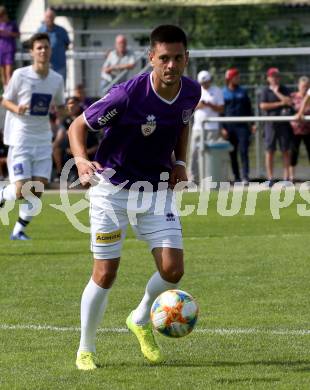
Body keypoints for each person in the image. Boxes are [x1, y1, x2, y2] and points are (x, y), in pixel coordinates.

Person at [68, 24, 201, 370]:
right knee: (106, 272)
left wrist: (181, 162)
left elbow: (183, 122)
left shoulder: (191, 91)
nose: (170, 66)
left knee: (173, 270)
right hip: (111, 191)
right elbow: (77, 127)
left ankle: (140, 317)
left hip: (156, 191)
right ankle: (86, 348)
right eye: (163, 59)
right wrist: (81, 159)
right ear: (151, 58)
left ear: (186, 58)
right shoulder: (126, 95)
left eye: (177, 58)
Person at [0, 33, 65, 240]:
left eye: (46, 47)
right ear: (32, 52)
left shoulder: (57, 79)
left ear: (50, 51)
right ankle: (2, 194)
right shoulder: (20, 75)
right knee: (20, 190)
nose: (43, 51)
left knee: (36, 189)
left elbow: (60, 108)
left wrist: (67, 110)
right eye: (39, 48)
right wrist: (17, 108)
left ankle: (19, 230)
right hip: (21, 139)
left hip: (43, 140)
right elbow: (5, 101)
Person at [259, 67, 293, 186]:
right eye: (272, 76)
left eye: (277, 76)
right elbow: (263, 106)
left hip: (284, 124)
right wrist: (279, 103)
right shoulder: (265, 91)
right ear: (268, 78)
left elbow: (289, 102)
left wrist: (277, 92)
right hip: (270, 124)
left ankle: (286, 178)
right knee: (270, 151)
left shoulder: (285, 89)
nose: (275, 78)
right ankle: (270, 178)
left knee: (285, 151)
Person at [53, 96, 98, 181]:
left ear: (79, 105)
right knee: (58, 147)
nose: (72, 106)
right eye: (69, 104)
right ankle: (59, 174)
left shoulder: (86, 118)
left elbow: (96, 141)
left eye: (74, 103)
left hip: (89, 150)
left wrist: (86, 151)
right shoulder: (64, 121)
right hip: (69, 152)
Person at [191, 70, 224, 184]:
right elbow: (189, 109)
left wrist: (209, 104)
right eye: (202, 83)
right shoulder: (196, 91)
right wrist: (199, 105)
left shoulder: (217, 91)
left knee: (210, 155)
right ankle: (194, 180)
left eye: (206, 82)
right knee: (194, 154)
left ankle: (210, 179)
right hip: (198, 128)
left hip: (212, 128)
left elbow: (221, 109)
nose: (205, 85)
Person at [222, 68, 254, 184]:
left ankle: (245, 176)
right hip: (229, 127)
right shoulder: (223, 92)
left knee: (244, 151)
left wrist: (253, 124)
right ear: (230, 78)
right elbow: (221, 112)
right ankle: (237, 177)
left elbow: (249, 109)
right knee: (232, 152)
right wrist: (222, 127)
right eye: (236, 77)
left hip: (242, 126)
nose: (238, 79)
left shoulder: (243, 91)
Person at [38, 8, 70, 83]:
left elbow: (67, 45)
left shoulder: (62, 31)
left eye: (51, 17)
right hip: (45, 67)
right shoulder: (40, 31)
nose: (49, 19)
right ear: (45, 17)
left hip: (60, 66)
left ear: (54, 17)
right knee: (45, 90)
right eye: (47, 17)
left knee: (60, 89)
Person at [289, 76, 310, 182]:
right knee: (293, 153)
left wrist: (301, 112)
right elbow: (289, 109)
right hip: (295, 130)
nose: (304, 88)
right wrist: (298, 113)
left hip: (308, 129)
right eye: (303, 86)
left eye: (306, 86)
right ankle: (292, 177)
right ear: (298, 86)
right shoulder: (293, 96)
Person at [0, 6, 20, 89]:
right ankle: (5, 93)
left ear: (5, 15)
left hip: (9, 50)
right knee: (2, 74)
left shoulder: (13, 23)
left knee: (8, 73)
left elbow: (18, 35)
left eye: (1, 16)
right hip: (0, 50)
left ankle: (9, 91)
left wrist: (7, 32)